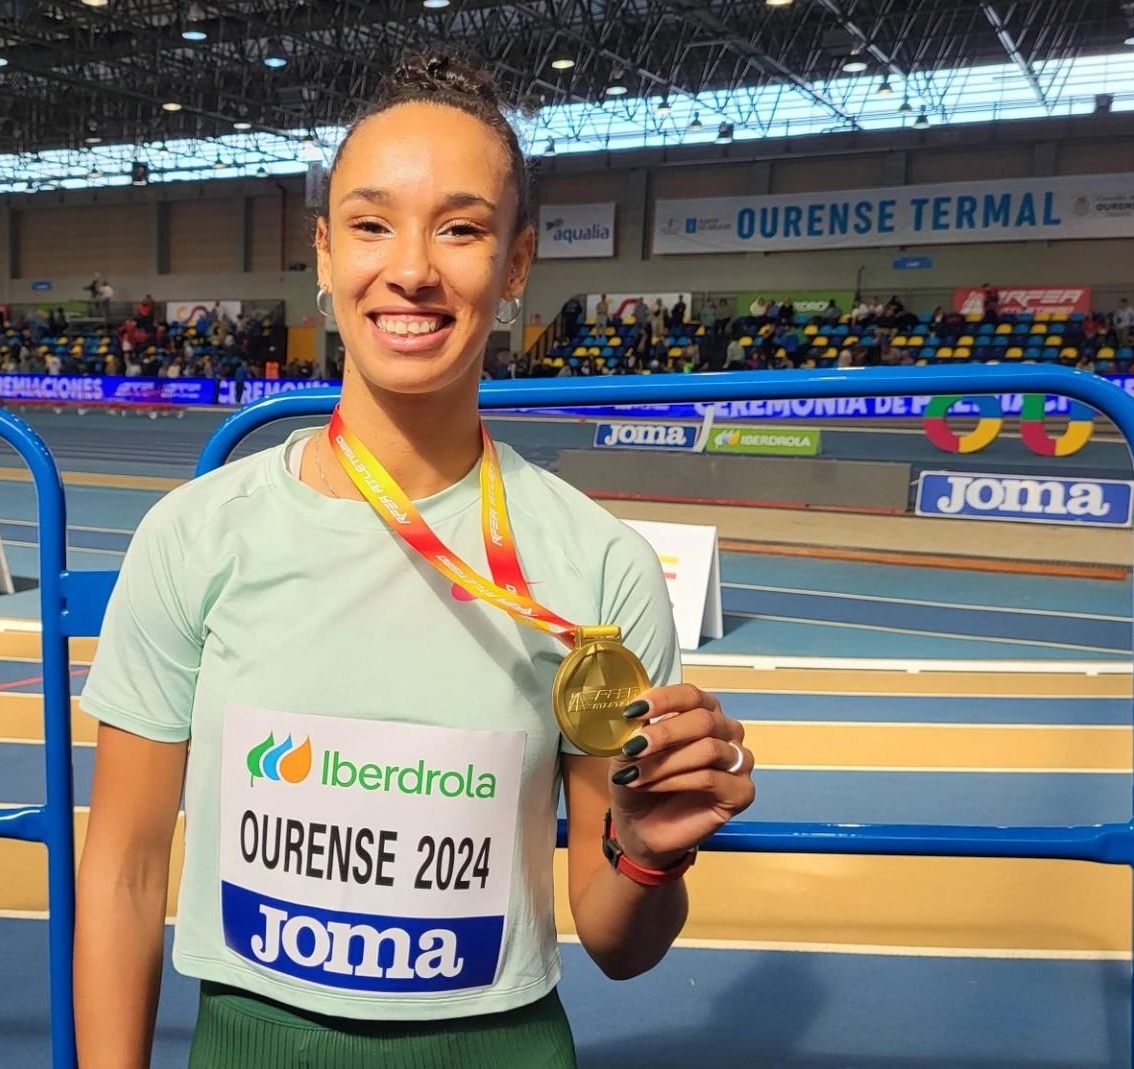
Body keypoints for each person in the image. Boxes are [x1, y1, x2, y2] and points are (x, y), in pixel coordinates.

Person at [74, 50, 756, 1069]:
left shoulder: (597, 567)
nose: (412, 268)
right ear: (322, 250)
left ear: (516, 264)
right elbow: (126, 870)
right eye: (371, 221)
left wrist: (650, 855)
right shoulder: (195, 537)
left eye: (462, 227)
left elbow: (617, 942)